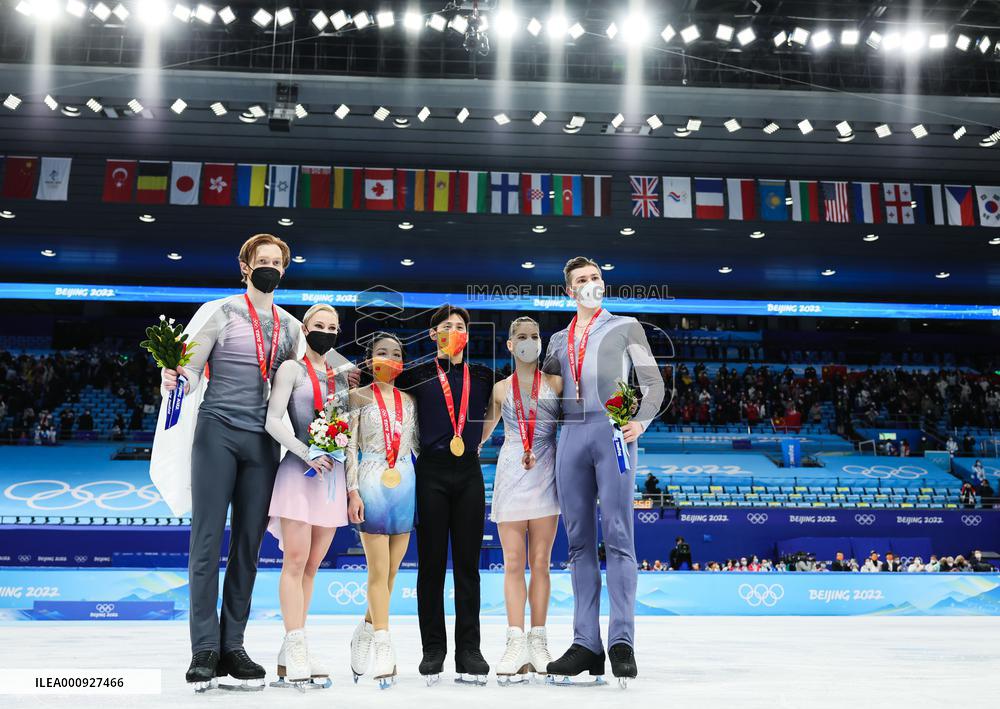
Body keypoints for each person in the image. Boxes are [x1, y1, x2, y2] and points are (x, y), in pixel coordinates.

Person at [156, 234, 356, 691]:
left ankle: (235, 646)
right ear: (245, 266)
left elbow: (310, 376)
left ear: (284, 271)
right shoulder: (219, 312)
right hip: (217, 432)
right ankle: (204, 647)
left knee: (249, 545)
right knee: (206, 540)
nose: (270, 267)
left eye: (277, 262)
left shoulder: (290, 326)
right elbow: (189, 370)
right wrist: (175, 376)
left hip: (263, 444)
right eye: (261, 260)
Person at [542, 256, 665, 687]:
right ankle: (586, 643)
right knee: (577, 543)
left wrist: (641, 420)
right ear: (569, 292)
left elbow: (654, 383)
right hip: (570, 437)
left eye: (596, 277)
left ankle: (621, 641)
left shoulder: (627, 325)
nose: (592, 283)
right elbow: (547, 397)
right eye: (582, 280)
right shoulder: (557, 340)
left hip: (614, 429)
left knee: (618, 534)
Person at [395, 304, 494, 684]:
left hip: (469, 472)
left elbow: (502, 405)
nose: (453, 331)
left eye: (459, 326)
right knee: (431, 567)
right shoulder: (417, 375)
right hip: (431, 472)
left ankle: (469, 649)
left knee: (468, 568)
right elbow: (379, 389)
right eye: (445, 326)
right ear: (433, 334)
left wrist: (477, 441)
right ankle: (433, 649)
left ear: (467, 334)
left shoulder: (482, 375)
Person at [263, 303, 351, 687]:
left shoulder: (344, 378)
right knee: (295, 561)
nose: (326, 331)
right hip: (299, 472)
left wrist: (353, 487)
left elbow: (351, 435)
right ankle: (297, 643)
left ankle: (291, 646)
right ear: (305, 328)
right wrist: (305, 452)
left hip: (332, 480)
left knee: (312, 566)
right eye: (319, 325)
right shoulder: (291, 369)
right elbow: (271, 419)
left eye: (333, 327)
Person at [480, 316, 562, 684]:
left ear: (541, 343)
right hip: (512, 470)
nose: (528, 341)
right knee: (513, 563)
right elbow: (480, 435)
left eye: (534, 336)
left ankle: (539, 641)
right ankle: (515, 641)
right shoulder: (500, 390)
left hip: (547, 469)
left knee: (541, 562)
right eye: (521, 337)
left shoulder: (557, 385)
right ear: (510, 345)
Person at [345, 333, 419, 688]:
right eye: (381, 353)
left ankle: (365, 628)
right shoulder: (357, 397)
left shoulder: (409, 401)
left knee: (391, 572)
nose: (389, 358)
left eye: (395, 353)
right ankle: (384, 645)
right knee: (377, 570)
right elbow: (348, 448)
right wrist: (352, 490)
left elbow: (418, 444)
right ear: (369, 359)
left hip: (405, 480)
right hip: (372, 477)